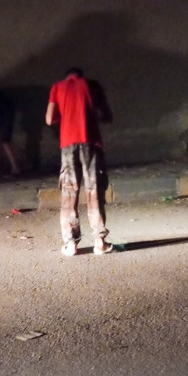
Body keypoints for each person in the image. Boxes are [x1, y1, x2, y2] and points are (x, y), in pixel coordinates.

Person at [45, 67, 114, 256]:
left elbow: (50, 119)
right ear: (81, 76)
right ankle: (100, 242)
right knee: (94, 189)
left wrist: (66, 115)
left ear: (66, 77)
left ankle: (71, 244)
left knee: (69, 192)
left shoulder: (57, 87)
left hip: (68, 143)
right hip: (91, 142)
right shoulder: (93, 85)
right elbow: (107, 116)